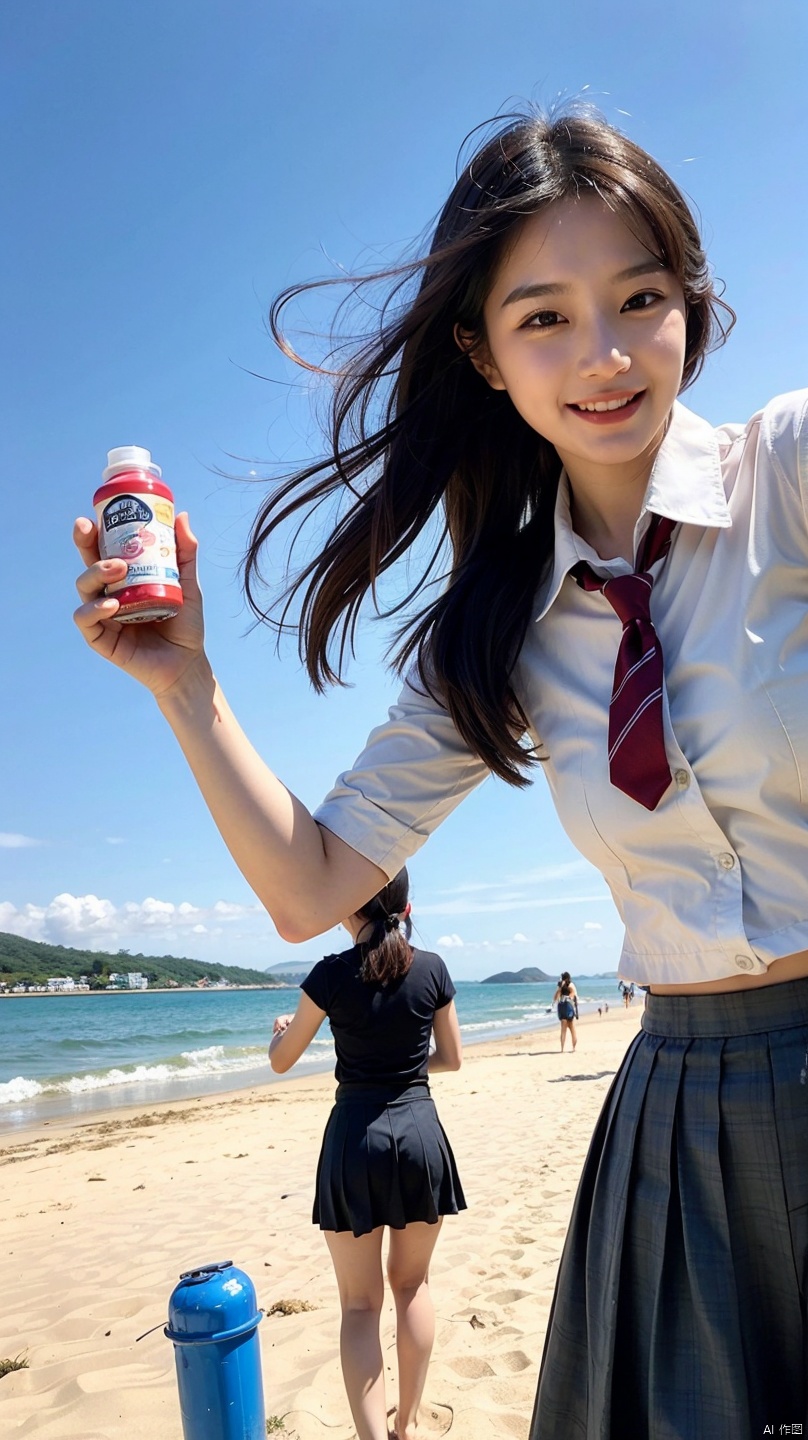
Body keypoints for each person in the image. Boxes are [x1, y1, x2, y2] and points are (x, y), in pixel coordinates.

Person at [72, 105, 808, 1434]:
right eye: (544, 317)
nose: (604, 354)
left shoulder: (793, 473)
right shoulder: (501, 629)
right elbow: (312, 887)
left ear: (692, 302)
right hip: (683, 1111)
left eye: (640, 298)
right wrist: (188, 686)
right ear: (479, 352)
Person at [266, 867, 464, 1440]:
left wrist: (279, 1029)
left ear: (347, 907)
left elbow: (282, 1059)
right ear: (407, 906)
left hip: (354, 1137)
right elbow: (450, 1057)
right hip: (420, 1133)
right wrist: (400, 1069)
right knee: (413, 1287)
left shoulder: (330, 974)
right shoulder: (433, 968)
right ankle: (407, 1423)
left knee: (359, 1305)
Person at [552, 970, 579, 1050]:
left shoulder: (561, 987)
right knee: (572, 1030)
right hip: (570, 1010)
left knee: (563, 1030)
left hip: (562, 1010)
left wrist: (560, 988)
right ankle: (573, 1048)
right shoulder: (571, 985)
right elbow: (573, 995)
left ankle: (562, 1048)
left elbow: (555, 998)